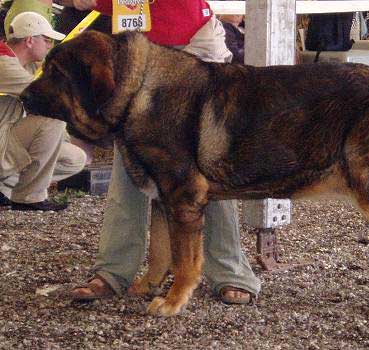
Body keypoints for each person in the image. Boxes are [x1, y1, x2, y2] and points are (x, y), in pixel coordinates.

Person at [57, 0, 261, 304]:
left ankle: (230, 271)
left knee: (206, 166)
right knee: (128, 162)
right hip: (139, 50)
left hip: (191, 48)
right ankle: (114, 271)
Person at [0, 11, 86, 211]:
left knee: (74, 159)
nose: (50, 46)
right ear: (30, 41)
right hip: (3, 139)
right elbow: (51, 97)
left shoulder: (25, 64)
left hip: (7, 137)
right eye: (46, 40)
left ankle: (4, 187)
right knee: (52, 119)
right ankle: (29, 198)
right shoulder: (4, 65)